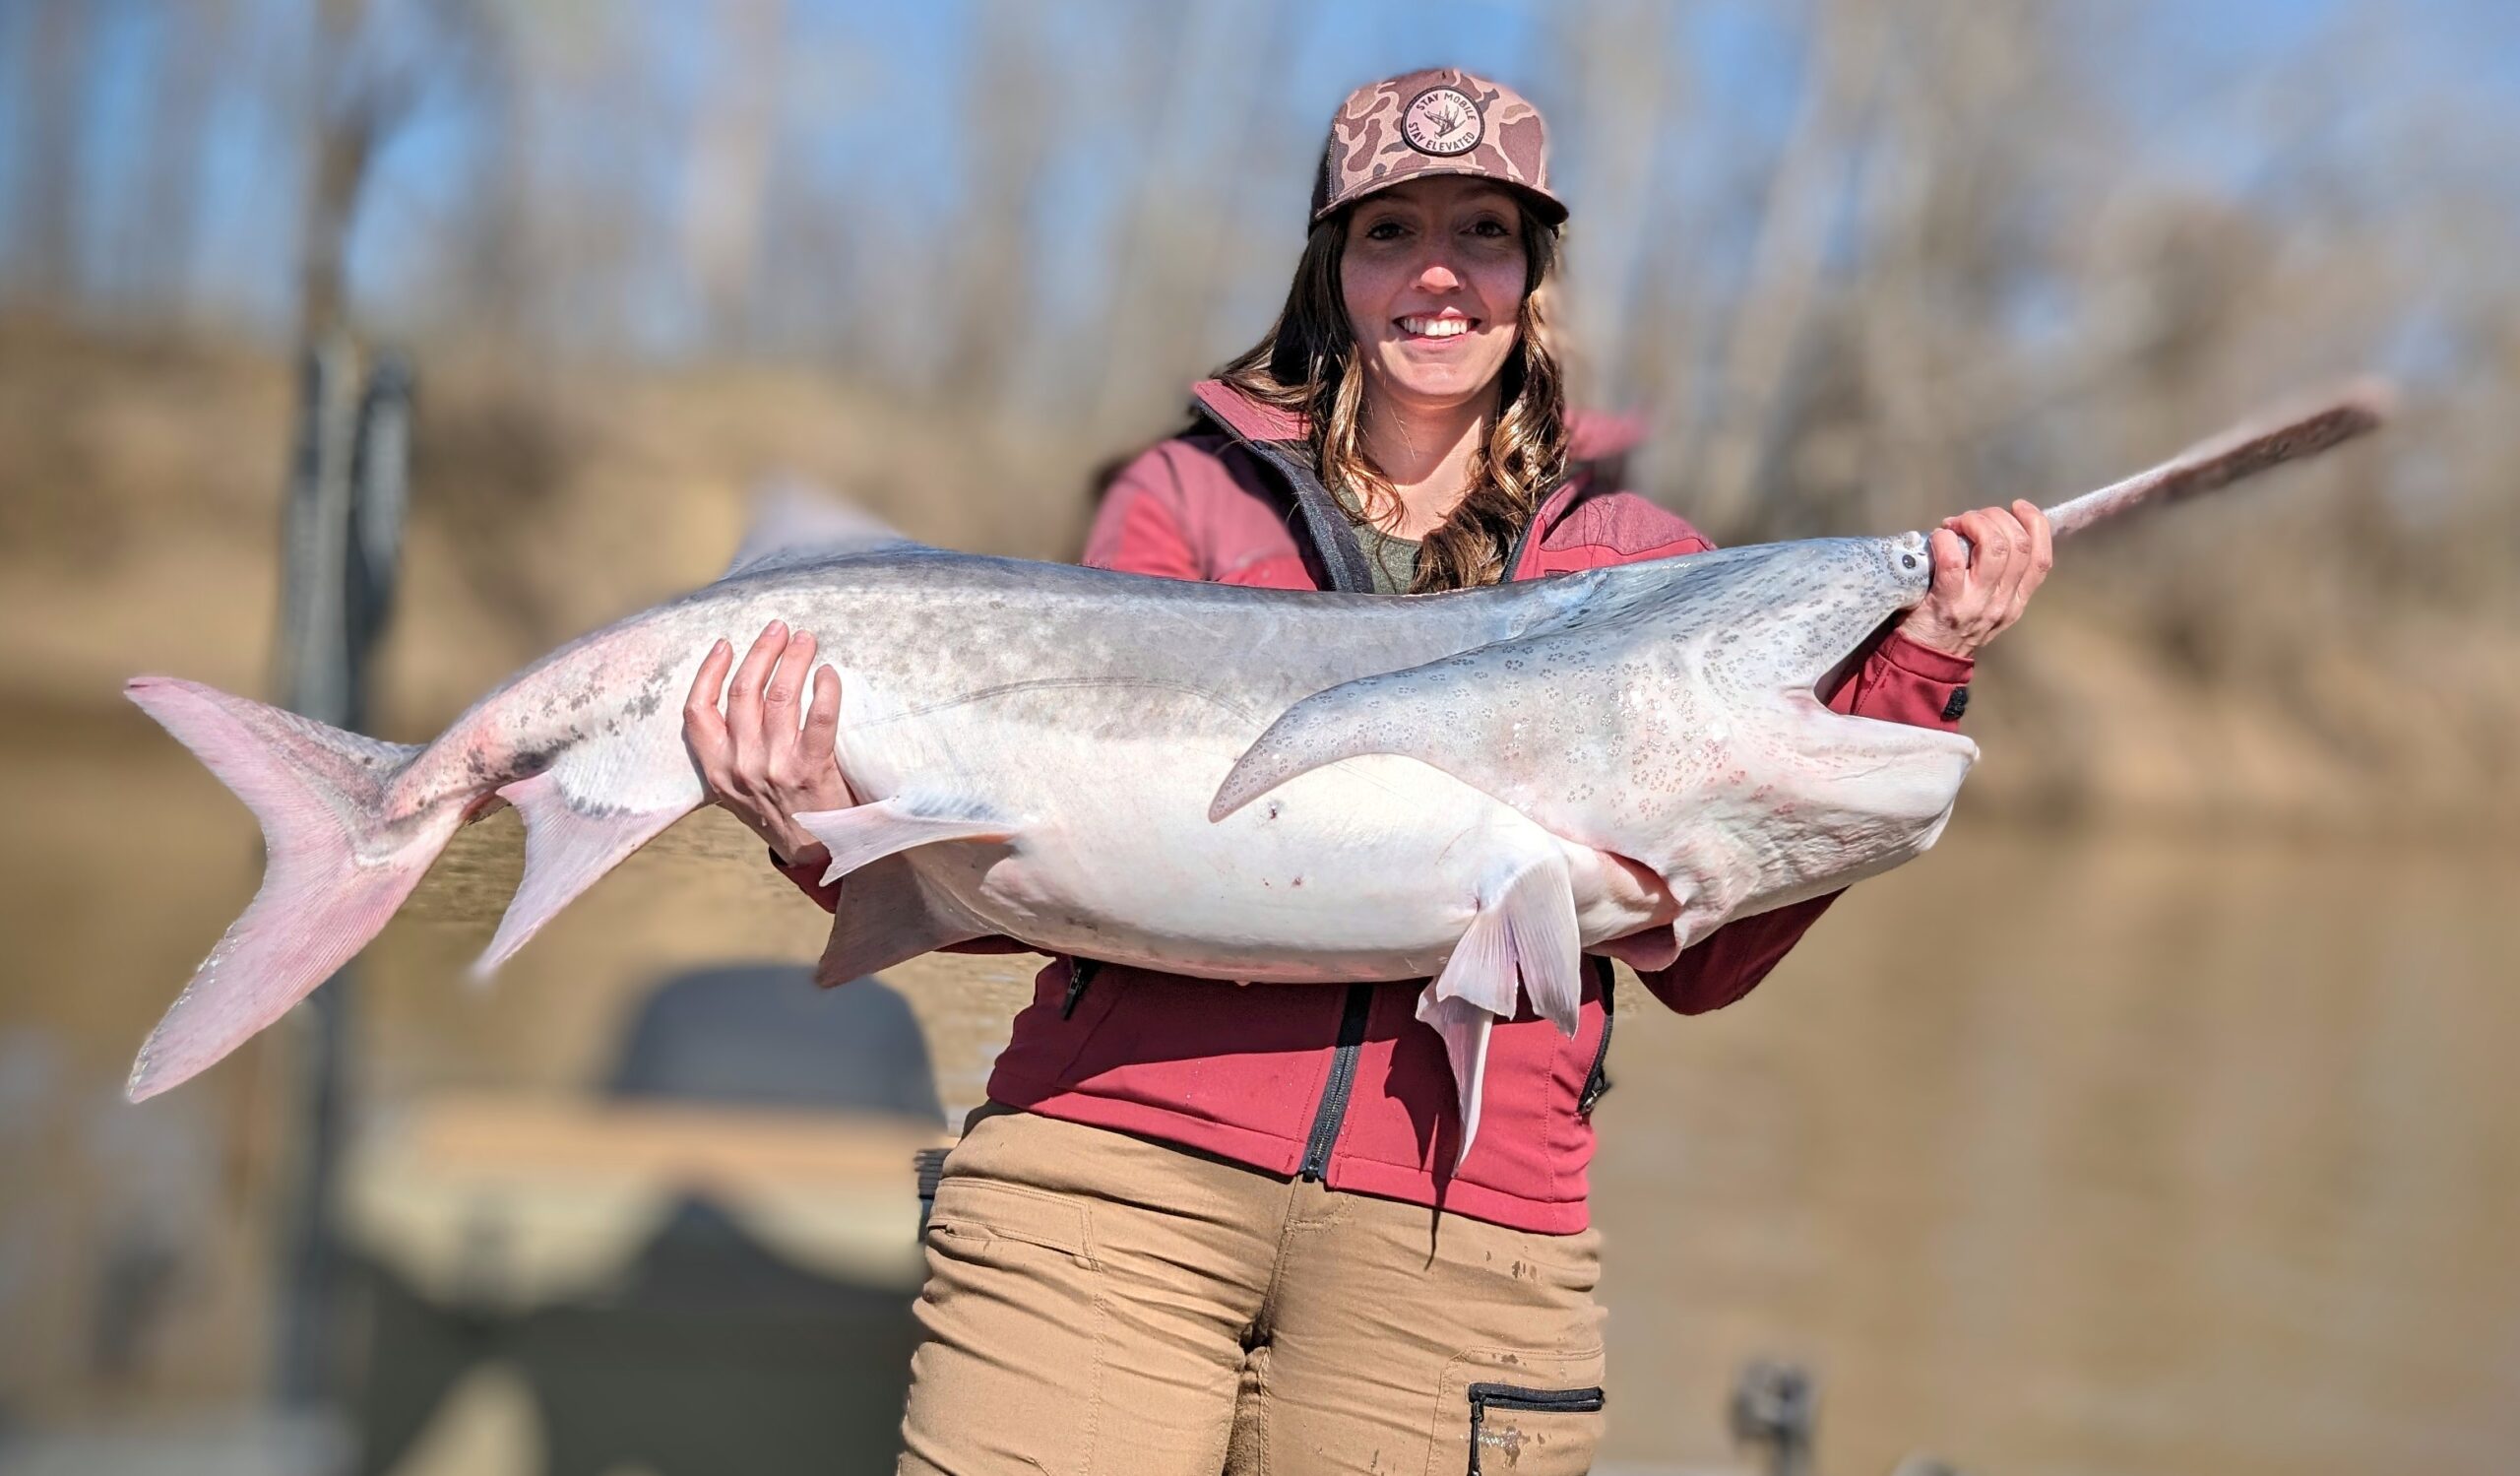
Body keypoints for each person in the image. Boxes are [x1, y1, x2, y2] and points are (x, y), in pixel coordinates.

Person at [684, 68, 2051, 1476]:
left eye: (1484, 232)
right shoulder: (1185, 505)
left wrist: (1923, 661)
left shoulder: (1645, 566)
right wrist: (815, 824)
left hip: (1464, 1250)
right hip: (1109, 1191)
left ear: (1533, 275)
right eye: (1390, 231)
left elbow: (1703, 965)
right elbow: (1031, 876)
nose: (1438, 274)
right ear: (1332, 267)